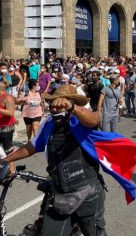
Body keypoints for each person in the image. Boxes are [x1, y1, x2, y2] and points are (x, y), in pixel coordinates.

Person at [4, 85, 106, 235]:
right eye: (52, 103)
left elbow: (94, 119)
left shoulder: (81, 119)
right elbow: (32, 146)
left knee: (95, 232)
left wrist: (71, 108)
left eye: (60, 103)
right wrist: (6, 160)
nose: (54, 107)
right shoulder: (49, 122)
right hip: (59, 193)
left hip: (87, 193)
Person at [0, 81, 16, 159]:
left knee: (8, 152)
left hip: (6, 129)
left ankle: (12, 170)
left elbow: (10, 112)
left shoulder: (8, 97)